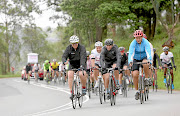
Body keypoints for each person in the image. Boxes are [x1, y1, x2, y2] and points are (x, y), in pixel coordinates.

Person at [128, 30, 152, 100]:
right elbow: (131, 52)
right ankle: (136, 90)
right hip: (136, 58)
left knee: (145, 63)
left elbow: (148, 51)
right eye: (136, 38)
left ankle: (146, 78)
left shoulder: (146, 42)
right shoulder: (133, 43)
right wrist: (130, 61)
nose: (138, 39)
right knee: (135, 74)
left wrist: (149, 60)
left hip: (144, 57)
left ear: (142, 37)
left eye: (139, 37)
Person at [62, 35, 87, 99]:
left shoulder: (82, 48)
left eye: (76, 43)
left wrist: (81, 66)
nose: (74, 45)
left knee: (82, 74)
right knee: (70, 74)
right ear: (71, 43)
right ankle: (72, 92)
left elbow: (83, 57)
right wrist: (64, 61)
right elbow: (64, 56)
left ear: (78, 42)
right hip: (72, 64)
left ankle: (84, 87)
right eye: (73, 44)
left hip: (81, 63)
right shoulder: (69, 48)